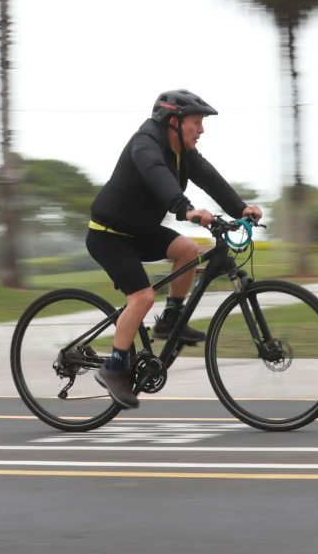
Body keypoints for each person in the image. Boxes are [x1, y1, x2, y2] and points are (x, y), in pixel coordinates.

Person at [86, 89, 263, 409]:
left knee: (188, 249)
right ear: (173, 122)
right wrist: (186, 209)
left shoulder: (182, 151)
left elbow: (209, 177)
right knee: (141, 297)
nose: (202, 129)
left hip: (141, 231)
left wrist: (240, 208)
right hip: (109, 235)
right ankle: (113, 369)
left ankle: (170, 320)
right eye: (196, 122)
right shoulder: (146, 144)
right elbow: (155, 173)